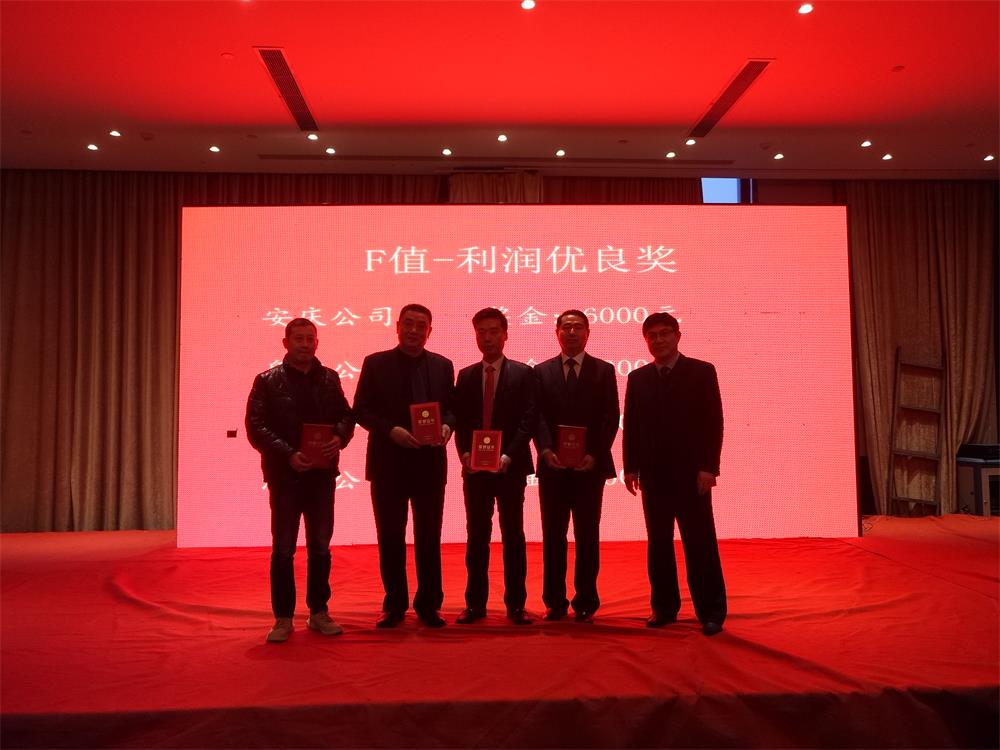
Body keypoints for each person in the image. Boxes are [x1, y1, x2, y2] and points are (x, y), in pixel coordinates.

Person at [246, 317, 355, 643]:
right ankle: (283, 618)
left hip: (321, 476)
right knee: (283, 549)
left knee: (320, 547)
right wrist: (288, 454)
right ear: (286, 343)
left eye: (310, 339)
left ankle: (319, 612)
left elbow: (346, 415)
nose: (305, 344)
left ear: (316, 343)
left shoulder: (330, 378)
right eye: (299, 339)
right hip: (285, 477)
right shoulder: (267, 381)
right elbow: (256, 427)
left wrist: (339, 436)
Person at [622, 312, 726, 636]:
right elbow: (632, 426)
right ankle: (664, 608)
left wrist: (709, 467)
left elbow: (713, 422)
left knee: (700, 542)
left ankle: (711, 611)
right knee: (659, 544)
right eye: (652, 335)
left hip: (693, 476)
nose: (659, 340)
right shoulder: (638, 378)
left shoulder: (701, 372)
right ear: (646, 341)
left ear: (678, 336)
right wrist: (631, 467)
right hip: (654, 476)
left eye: (665, 333)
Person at [353, 303, 456, 629]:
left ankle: (429, 605)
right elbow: (361, 410)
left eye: (420, 325)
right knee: (390, 536)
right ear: (397, 326)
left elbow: (452, 409)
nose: (414, 330)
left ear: (430, 330)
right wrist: (391, 431)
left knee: (429, 536)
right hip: (389, 463)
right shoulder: (376, 363)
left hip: (429, 463)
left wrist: (447, 426)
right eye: (408, 324)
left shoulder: (442, 366)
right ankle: (394, 604)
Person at [533, 310, 619, 622]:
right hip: (553, 467)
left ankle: (586, 600)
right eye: (566, 327)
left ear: (587, 333)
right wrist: (545, 449)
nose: (572, 332)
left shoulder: (603, 370)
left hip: (589, 468)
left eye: (578, 327)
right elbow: (537, 416)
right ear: (556, 332)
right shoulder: (541, 372)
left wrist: (594, 454)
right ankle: (555, 601)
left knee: (587, 535)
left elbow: (610, 417)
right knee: (553, 535)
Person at [453, 308, 538, 626]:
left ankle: (516, 605)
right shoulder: (466, 376)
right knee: (477, 535)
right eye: (481, 332)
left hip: (509, 468)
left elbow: (528, 421)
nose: (487, 338)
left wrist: (509, 455)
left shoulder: (523, 374)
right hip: (475, 470)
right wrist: (464, 453)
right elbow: (461, 421)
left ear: (505, 335)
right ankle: (475, 604)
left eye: (493, 332)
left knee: (513, 534)